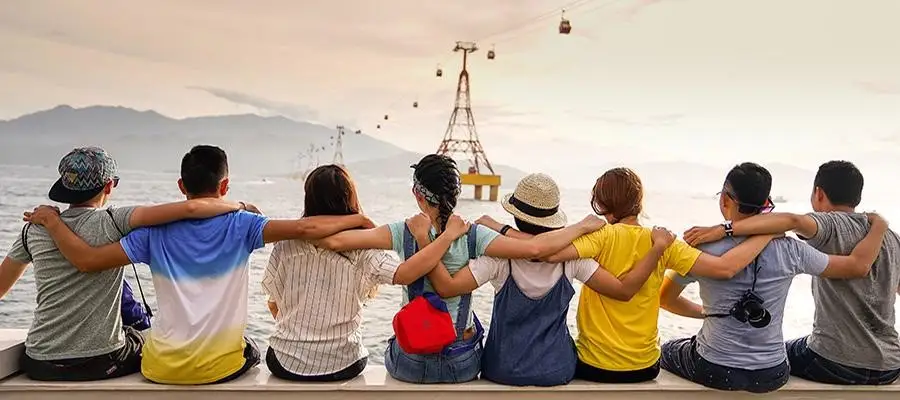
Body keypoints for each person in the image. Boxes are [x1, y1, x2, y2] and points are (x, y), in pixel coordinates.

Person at [23, 145, 375, 385]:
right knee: (250, 346)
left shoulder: (152, 233)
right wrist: (361, 219)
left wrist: (53, 224)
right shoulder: (244, 225)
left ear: (181, 186)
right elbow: (307, 228)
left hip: (159, 368)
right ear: (225, 185)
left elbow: (88, 261)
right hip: (220, 369)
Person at [314, 155, 606, 384]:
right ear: (456, 193)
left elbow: (332, 241)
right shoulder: (474, 235)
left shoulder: (401, 231)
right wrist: (581, 226)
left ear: (417, 194)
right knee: (471, 326)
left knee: (396, 341)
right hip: (461, 363)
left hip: (411, 363)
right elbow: (535, 249)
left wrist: (360, 219)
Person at [508, 167, 778, 383]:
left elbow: (544, 252)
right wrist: (766, 232)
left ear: (602, 204)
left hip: (595, 366)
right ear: (638, 202)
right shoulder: (663, 240)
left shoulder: (601, 236)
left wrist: (499, 229)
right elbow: (725, 268)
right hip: (644, 367)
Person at [0, 146, 245, 381]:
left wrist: (52, 221)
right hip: (100, 361)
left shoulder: (33, 229)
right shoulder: (115, 221)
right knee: (145, 337)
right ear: (109, 185)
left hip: (40, 362)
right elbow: (191, 208)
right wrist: (240, 206)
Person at [419, 172, 677, 386]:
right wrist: (656, 249)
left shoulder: (499, 259)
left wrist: (425, 242)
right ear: (553, 219)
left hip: (502, 369)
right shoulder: (573, 260)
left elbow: (447, 287)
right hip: (557, 370)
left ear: (516, 216)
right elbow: (623, 290)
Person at [659, 162, 889, 393]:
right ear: (766, 204)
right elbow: (854, 266)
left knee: (668, 348)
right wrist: (879, 226)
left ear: (725, 200)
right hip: (772, 372)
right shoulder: (792, 249)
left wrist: (707, 313)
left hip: (715, 368)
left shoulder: (701, 249)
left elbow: (666, 299)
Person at [262, 165, 473, 382]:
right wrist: (446, 237)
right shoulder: (363, 250)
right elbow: (405, 273)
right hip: (342, 363)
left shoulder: (285, 245)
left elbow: (274, 304)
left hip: (285, 362)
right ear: (350, 200)